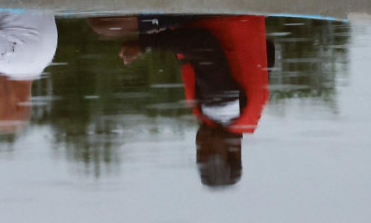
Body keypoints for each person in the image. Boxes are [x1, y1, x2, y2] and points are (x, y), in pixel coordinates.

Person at [89, 14, 271, 187]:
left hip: (237, 15)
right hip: (213, 12)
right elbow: (200, 42)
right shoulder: (221, 107)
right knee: (105, 24)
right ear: (233, 150)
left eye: (199, 153)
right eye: (209, 151)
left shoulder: (245, 112)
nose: (200, 145)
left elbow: (268, 49)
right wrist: (144, 44)